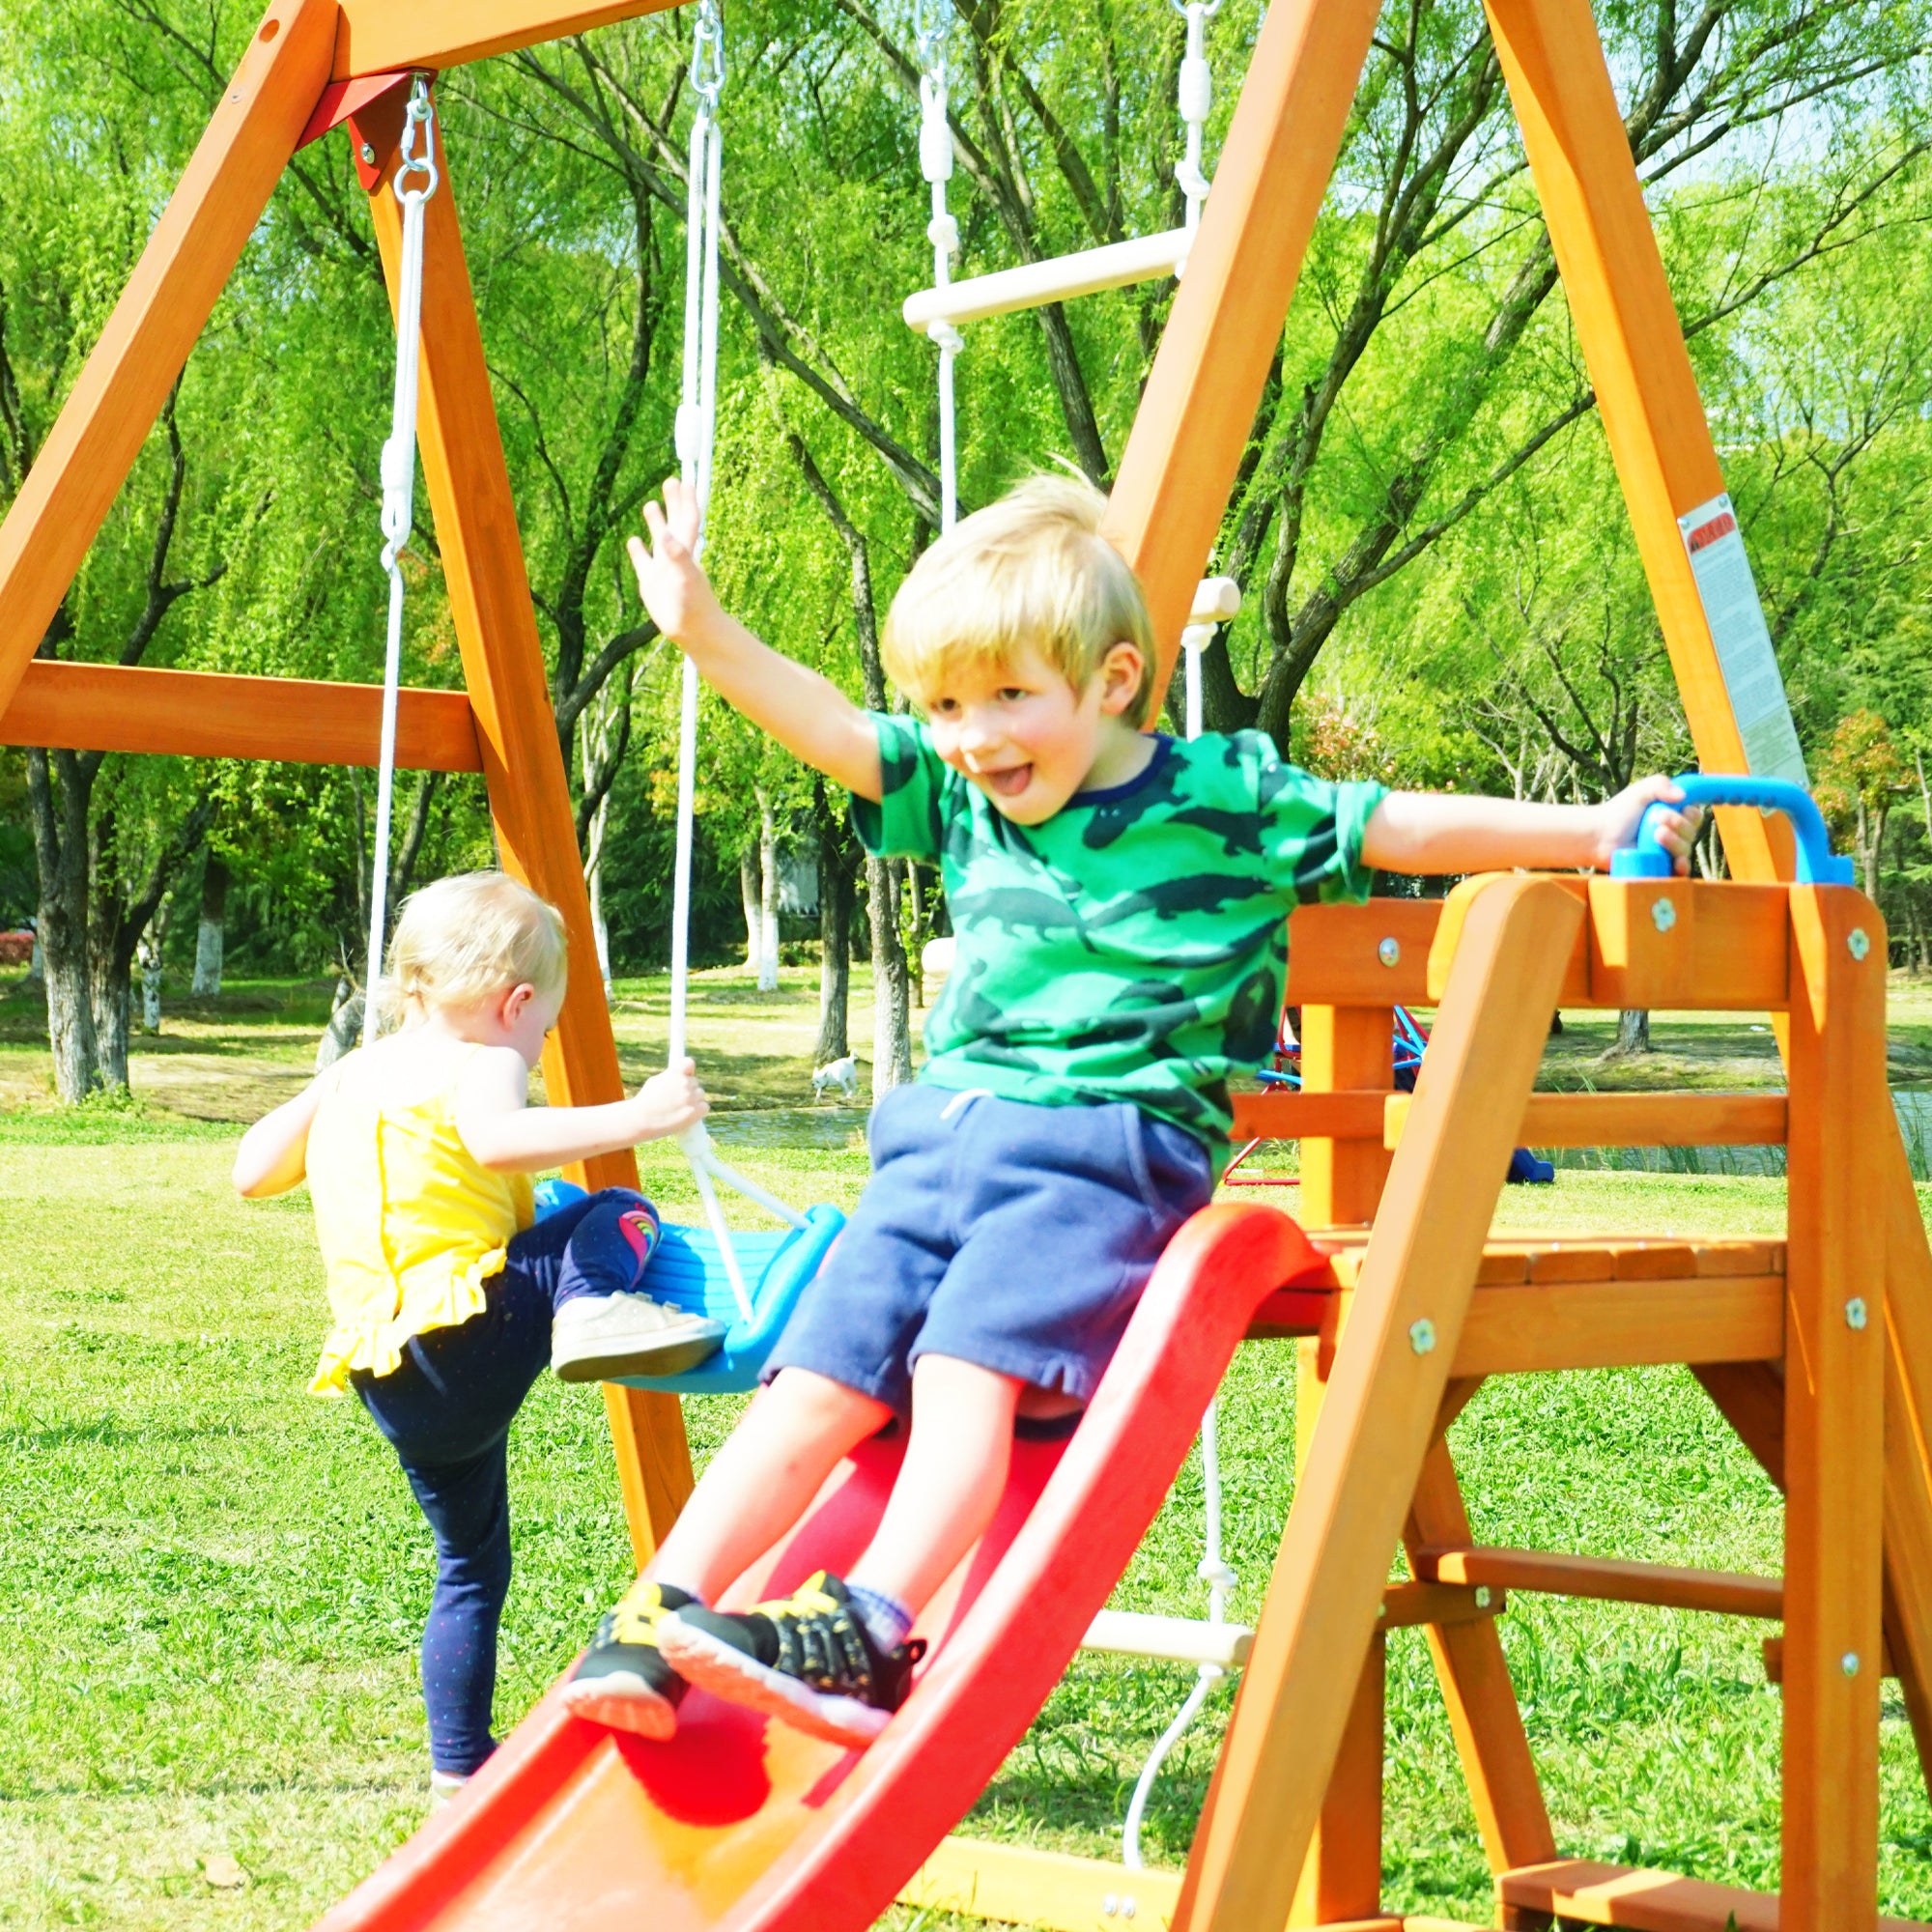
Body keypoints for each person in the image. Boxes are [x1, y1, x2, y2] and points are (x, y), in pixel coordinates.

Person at [562, 474, 1703, 1751]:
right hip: (934, 1141)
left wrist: (1589, 831)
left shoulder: (1225, 799)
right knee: (812, 1381)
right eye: (945, 704)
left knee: (957, 1373)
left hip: (1099, 1152)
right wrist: (703, 631)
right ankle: (663, 1613)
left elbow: (1402, 822)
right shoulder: (956, 798)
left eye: (1006, 699)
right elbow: (828, 724)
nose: (972, 737)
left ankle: (873, 1629)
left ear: (1109, 682)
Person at [233, 871, 716, 1795]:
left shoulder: (357, 1071)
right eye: (540, 1031)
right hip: (474, 1329)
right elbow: (496, 1141)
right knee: (611, 1207)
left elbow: (252, 1172)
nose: (532, 1048)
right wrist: (641, 1117)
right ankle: (590, 1309)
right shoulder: (485, 1057)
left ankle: (458, 1768)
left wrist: (328, 1087)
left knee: (469, 1564)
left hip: (392, 1376)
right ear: (517, 1003)